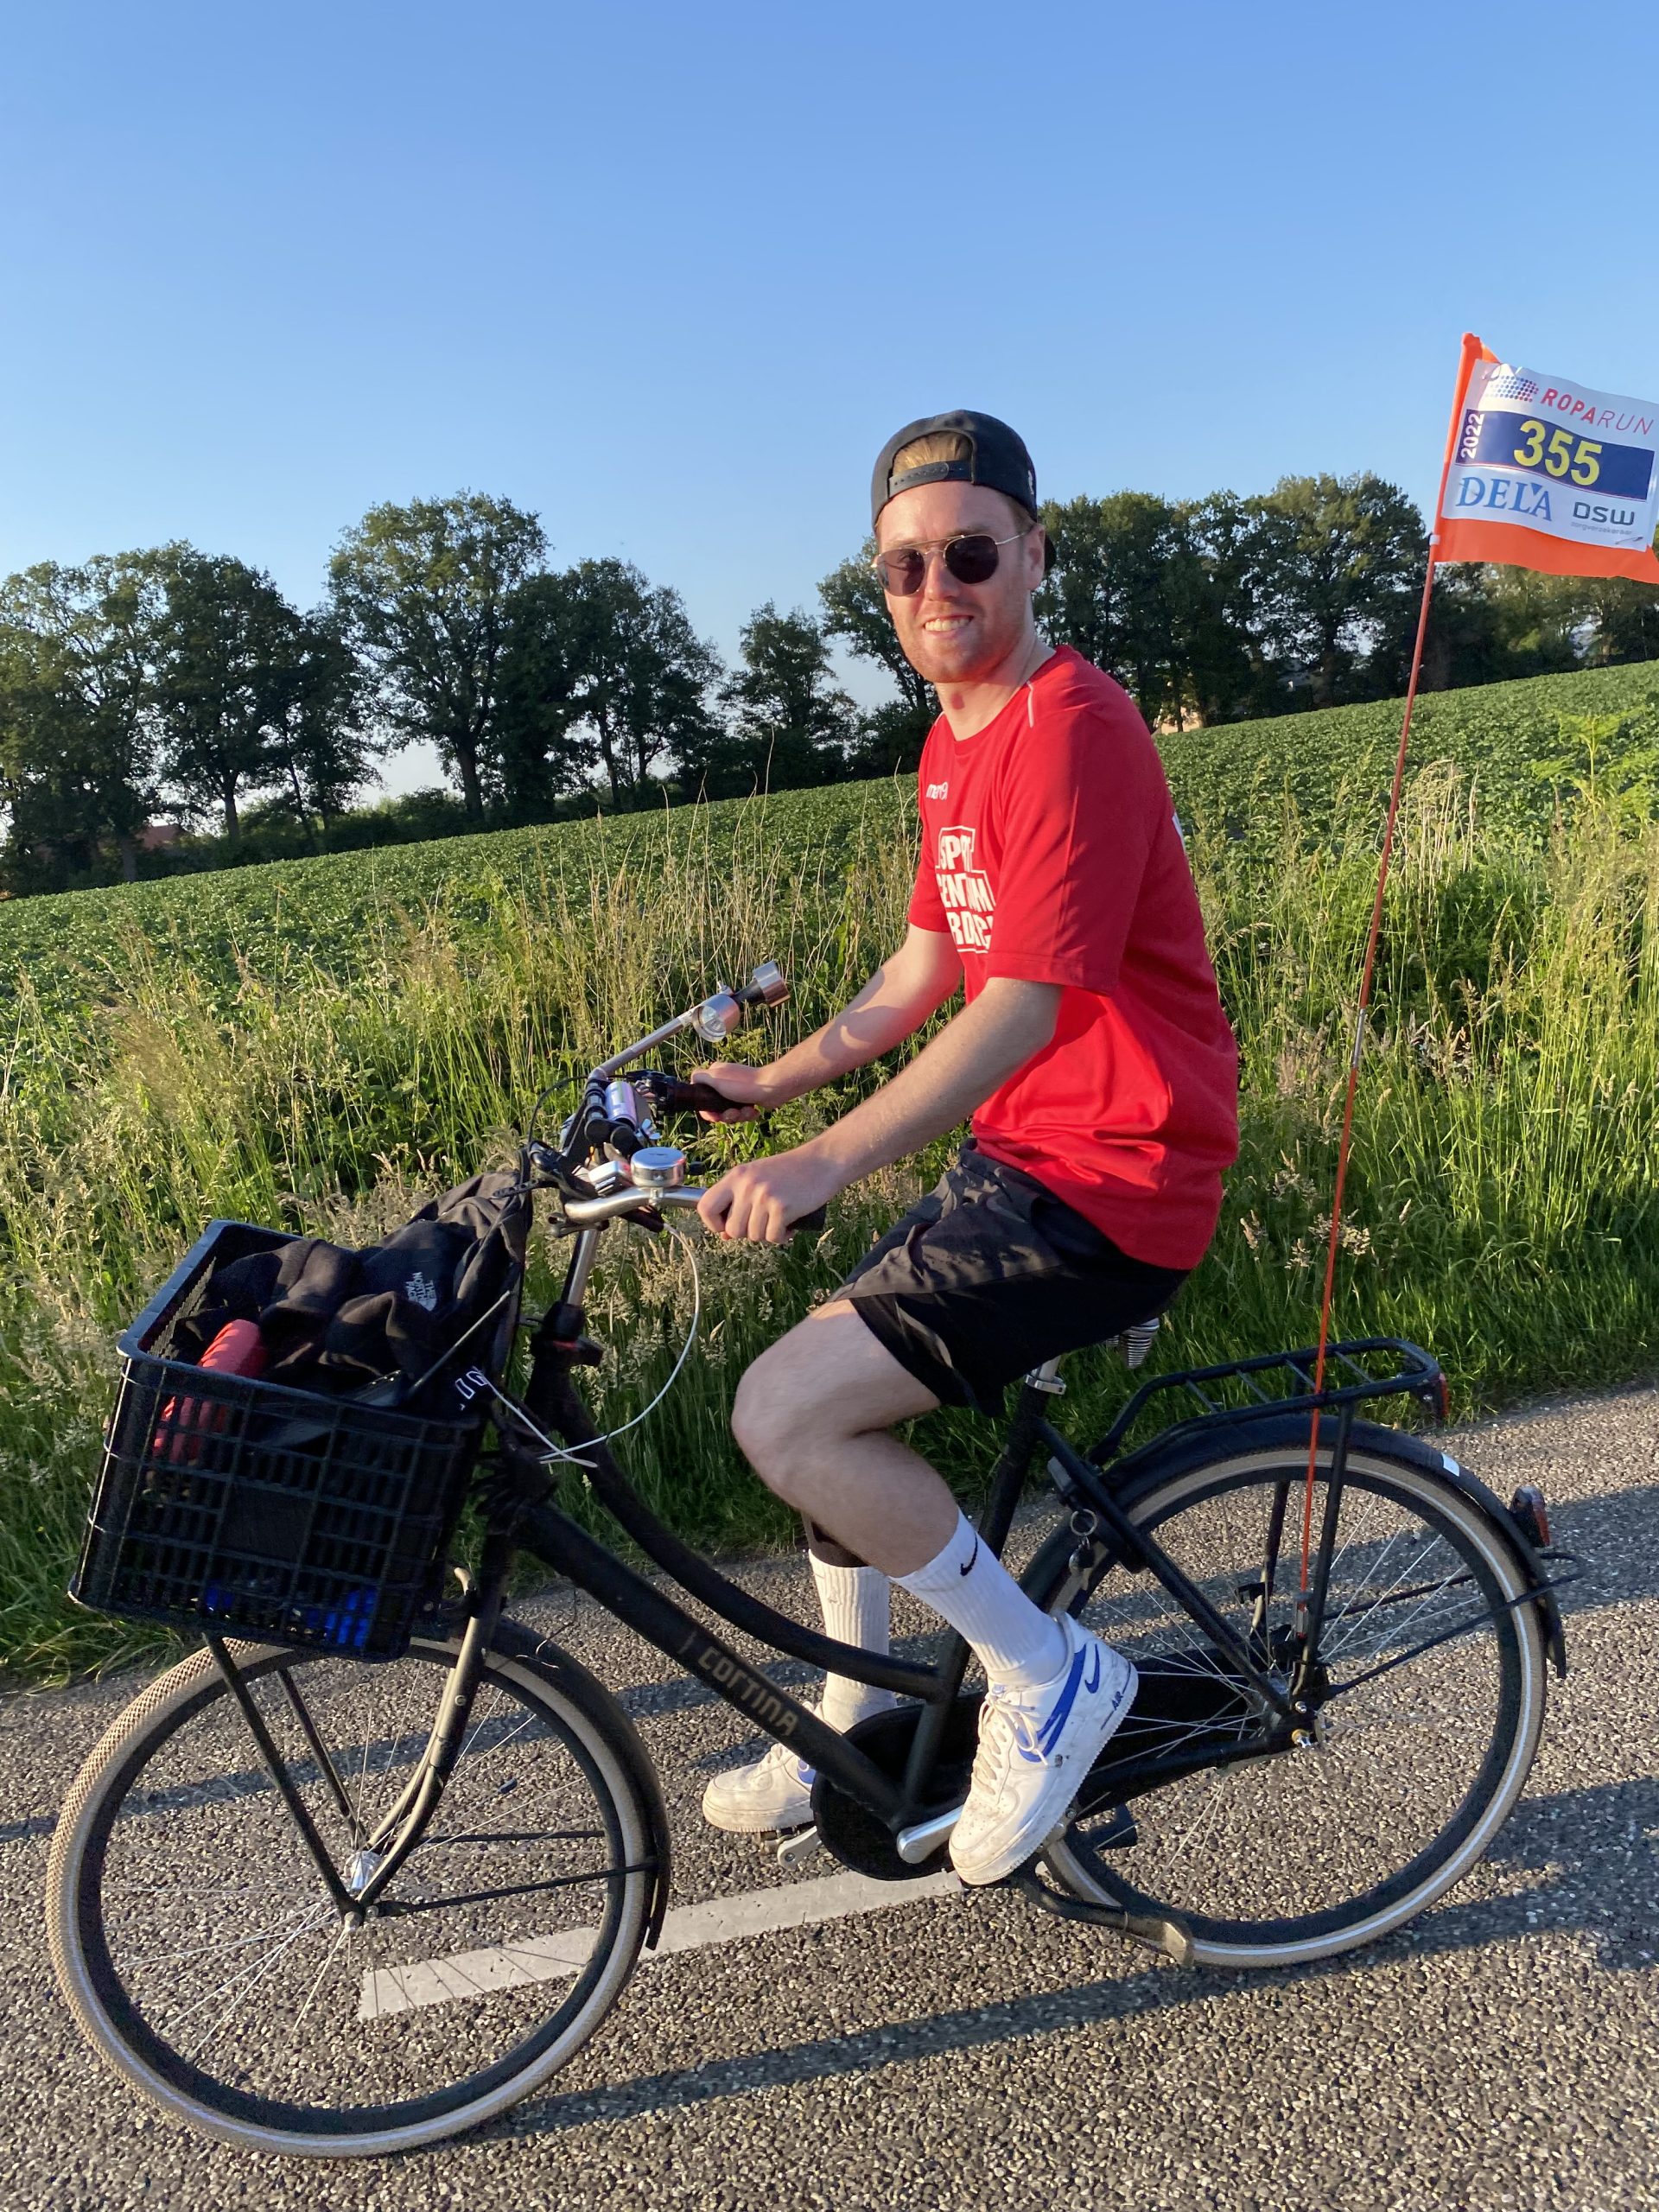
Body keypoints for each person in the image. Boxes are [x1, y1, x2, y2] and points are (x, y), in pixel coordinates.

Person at [692, 410, 1239, 1886]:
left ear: (1034, 555)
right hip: (1032, 1162)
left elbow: (1020, 1005)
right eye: (903, 567)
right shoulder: (956, 739)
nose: (937, 588)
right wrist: (771, 1083)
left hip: (1116, 1178)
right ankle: (853, 1721)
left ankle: (1049, 1674)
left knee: (787, 1414)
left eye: (970, 554)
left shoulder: (1071, 731)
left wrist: (825, 1163)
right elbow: (929, 959)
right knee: (818, 1394)